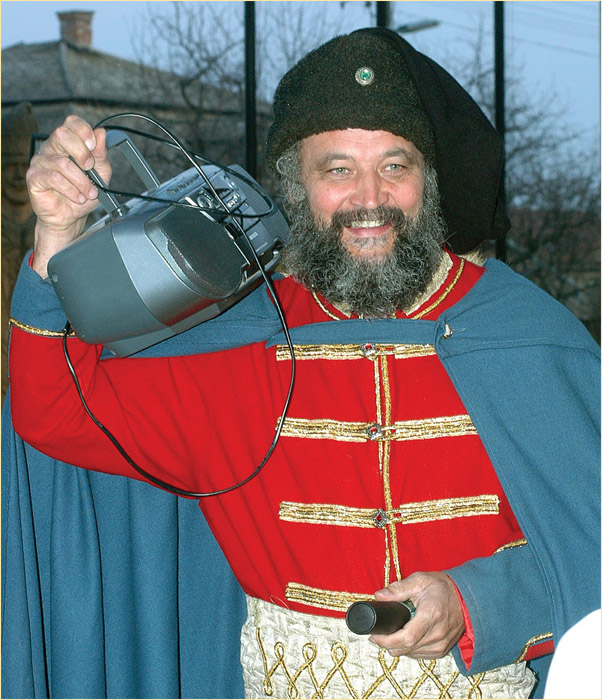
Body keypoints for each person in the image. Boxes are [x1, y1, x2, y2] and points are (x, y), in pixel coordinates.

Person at [7, 27, 600, 699]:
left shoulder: (527, 335)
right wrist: (55, 235)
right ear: (297, 189)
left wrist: (480, 602)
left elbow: (591, 544)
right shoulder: (238, 338)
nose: (369, 198)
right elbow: (55, 411)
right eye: (337, 170)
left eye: (395, 166)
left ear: (429, 183)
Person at [2, 103, 38, 403]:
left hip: (39, 350)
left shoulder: (61, 227)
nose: (17, 176)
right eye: (8, 166)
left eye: (24, 166)